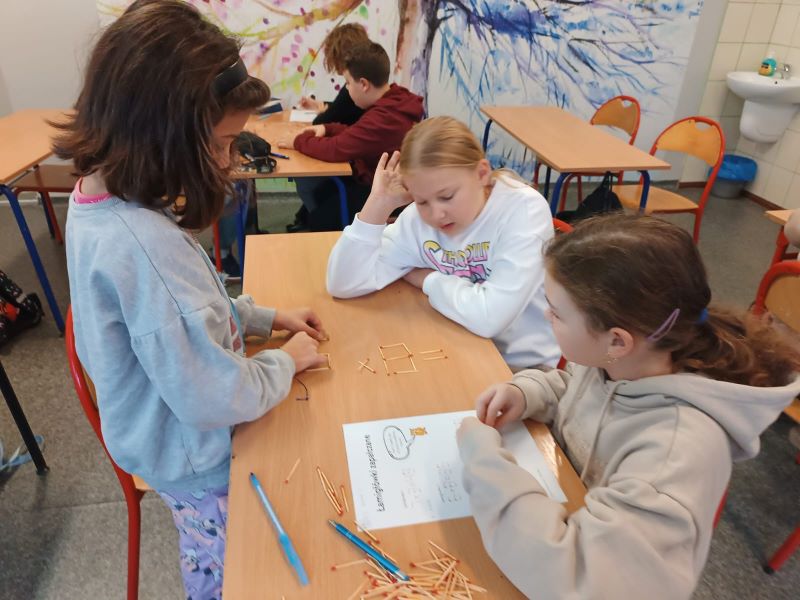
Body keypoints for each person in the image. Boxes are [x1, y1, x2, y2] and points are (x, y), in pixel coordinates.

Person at [53, 2, 327, 597]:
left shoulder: (100, 196)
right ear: (163, 133)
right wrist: (287, 361)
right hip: (199, 463)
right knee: (235, 575)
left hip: (168, 434)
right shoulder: (144, 246)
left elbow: (177, 322)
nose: (229, 160)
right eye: (223, 143)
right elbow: (213, 396)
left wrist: (259, 318)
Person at [457, 214, 800, 600]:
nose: (546, 316)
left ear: (617, 341)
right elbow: (575, 390)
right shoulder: (619, 361)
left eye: (556, 312)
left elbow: (579, 579)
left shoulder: (674, 454)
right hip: (568, 510)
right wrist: (528, 392)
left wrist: (483, 462)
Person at [327, 116, 560, 370]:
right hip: (455, 346)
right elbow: (344, 283)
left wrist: (427, 279)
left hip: (522, 368)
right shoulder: (417, 219)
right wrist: (378, 205)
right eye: (421, 201)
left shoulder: (523, 210)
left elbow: (490, 318)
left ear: (482, 173)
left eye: (447, 197)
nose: (436, 214)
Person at [280, 41, 424, 232]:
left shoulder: (384, 117)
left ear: (363, 84)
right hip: (384, 182)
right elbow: (356, 132)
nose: (347, 89)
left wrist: (297, 141)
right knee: (322, 193)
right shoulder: (395, 100)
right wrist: (326, 128)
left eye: (348, 82)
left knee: (321, 217)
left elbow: (335, 149)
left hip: (392, 192)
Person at [288, 23, 370, 232]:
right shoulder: (367, 85)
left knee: (306, 182)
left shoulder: (355, 89)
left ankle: (321, 228)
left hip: (361, 170)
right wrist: (323, 106)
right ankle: (313, 220)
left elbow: (326, 120)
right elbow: (342, 112)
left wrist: (297, 140)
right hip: (360, 161)